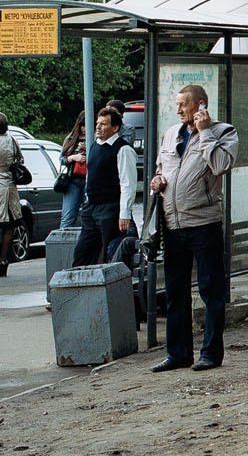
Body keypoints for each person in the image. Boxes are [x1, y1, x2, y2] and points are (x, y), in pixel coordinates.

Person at [149, 83, 236, 372]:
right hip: (173, 224)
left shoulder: (223, 132)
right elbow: (163, 167)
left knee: (211, 290)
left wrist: (206, 132)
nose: (178, 110)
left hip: (204, 223)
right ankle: (178, 353)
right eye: (177, 104)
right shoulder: (172, 133)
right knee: (175, 292)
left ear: (200, 105)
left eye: (184, 104)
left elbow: (221, 164)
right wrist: (157, 180)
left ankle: (211, 353)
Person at [73, 103, 137, 267]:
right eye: (97, 124)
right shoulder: (94, 146)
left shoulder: (123, 150)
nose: (98, 127)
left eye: (103, 124)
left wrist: (124, 213)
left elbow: (127, 184)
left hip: (110, 209)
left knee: (110, 256)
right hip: (91, 209)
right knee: (82, 254)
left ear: (115, 128)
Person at [0, 113, 23, 277]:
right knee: (9, 225)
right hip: (10, 185)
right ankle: (3, 259)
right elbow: (20, 159)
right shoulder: (11, 140)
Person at [59, 110, 88, 231]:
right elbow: (62, 159)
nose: (84, 129)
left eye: (86, 126)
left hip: (89, 180)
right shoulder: (70, 138)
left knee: (89, 217)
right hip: (73, 180)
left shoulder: (96, 138)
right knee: (68, 217)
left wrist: (89, 148)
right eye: (82, 125)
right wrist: (73, 157)